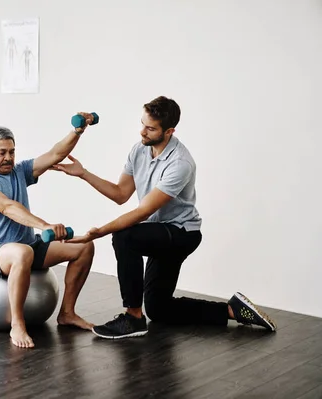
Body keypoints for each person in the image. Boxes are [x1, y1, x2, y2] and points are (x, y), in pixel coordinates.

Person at [52, 96, 277, 339]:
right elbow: (120, 194)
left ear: (169, 131)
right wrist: (83, 174)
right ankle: (233, 310)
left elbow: (142, 212)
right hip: (158, 230)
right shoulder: (139, 150)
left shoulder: (180, 163)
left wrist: (99, 232)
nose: (142, 132)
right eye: (142, 124)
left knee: (124, 236)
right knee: (160, 309)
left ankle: (133, 318)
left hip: (181, 233)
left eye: (150, 128)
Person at [0, 118, 96, 348]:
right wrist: (44, 225)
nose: (8, 158)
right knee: (22, 253)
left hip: (28, 244)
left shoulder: (19, 171)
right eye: (2, 152)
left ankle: (67, 313)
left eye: (12, 152)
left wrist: (77, 131)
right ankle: (17, 324)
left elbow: (55, 154)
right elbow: (7, 207)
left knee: (84, 247)